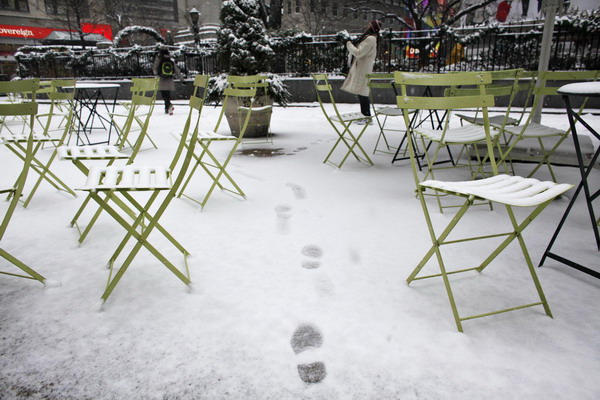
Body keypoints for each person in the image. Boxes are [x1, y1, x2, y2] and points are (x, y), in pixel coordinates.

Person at [340, 20, 383, 124]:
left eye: (369, 25)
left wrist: (348, 44)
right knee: (361, 92)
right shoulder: (370, 38)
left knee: (363, 92)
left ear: (372, 28)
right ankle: (365, 116)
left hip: (363, 69)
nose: (366, 26)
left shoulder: (371, 39)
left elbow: (358, 53)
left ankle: (367, 117)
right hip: (362, 68)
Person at [153, 47, 183, 115]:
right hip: (169, 79)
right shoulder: (170, 59)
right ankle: (167, 109)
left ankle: (169, 106)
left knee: (164, 95)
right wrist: (181, 79)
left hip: (162, 79)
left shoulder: (159, 58)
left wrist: (157, 73)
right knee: (167, 95)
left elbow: (154, 69)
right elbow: (176, 70)